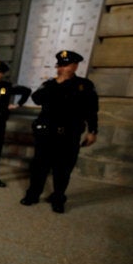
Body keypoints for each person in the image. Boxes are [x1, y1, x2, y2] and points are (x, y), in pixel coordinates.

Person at [20, 50, 99, 213]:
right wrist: (57, 82)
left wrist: (93, 131)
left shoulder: (84, 85)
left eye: (66, 65)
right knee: (39, 167)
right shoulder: (49, 84)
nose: (62, 69)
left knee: (63, 170)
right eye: (60, 65)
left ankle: (58, 198)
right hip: (46, 134)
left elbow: (92, 110)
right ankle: (33, 194)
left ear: (75, 66)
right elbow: (36, 99)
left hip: (69, 135)